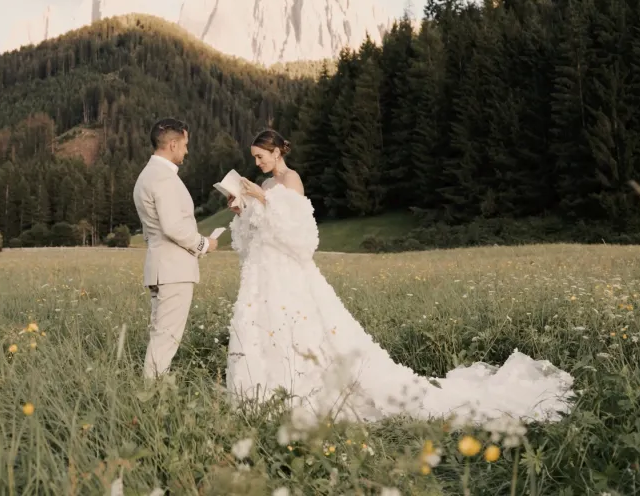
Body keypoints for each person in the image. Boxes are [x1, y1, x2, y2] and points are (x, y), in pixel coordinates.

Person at [223, 129, 575, 431]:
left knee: (300, 331)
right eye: (254, 158)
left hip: (290, 273)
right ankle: (266, 394)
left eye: (260, 156)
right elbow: (258, 232)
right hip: (264, 271)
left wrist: (263, 199)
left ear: (276, 152)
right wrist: (244, 209)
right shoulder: (265, 184)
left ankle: (306, 391)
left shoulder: (290, 181)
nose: (257, 163)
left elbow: (301, 237)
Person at [132, 118, 219, 379]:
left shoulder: (146, 176)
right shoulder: (163, 178)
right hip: (174, 270)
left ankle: (152, 388)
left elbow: (152, 229)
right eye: (184, 144)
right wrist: (204, 243)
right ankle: (153, 392)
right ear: (172, 144)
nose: (186, 150)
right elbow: (172, 226)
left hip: (159, 266)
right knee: (166, 338)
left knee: (161, 335)